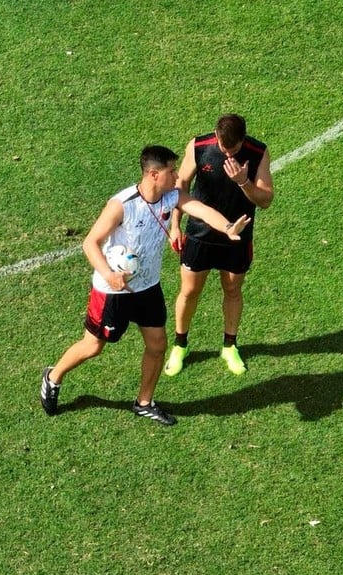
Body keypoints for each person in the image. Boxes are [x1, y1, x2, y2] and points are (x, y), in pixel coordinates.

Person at [40, 145, 250, 426]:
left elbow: (200, 209)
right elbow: (90, 243)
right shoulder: (122, 205)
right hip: (112, 291)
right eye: (171, 171)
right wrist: (109, 274)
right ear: (153, 174)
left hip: (148, 288)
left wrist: (227, 227)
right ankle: (53, 377)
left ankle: (144, 402)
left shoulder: (171, 196)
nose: (177, 177)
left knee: (157, 345)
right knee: (93, 346)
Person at [164, 114, 274, 376]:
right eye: (224, 148)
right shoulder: (199, 146)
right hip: (199, 234)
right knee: (189, 290)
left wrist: (243, 182)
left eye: (233, 149)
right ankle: (180, 345)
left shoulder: (258, 153)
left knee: (233, 289)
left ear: (243, 140)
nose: (228, 154)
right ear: (216, 135)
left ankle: (229, 346)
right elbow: (180, 186)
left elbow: (266, 200)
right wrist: (175, 225)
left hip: (237, 236)